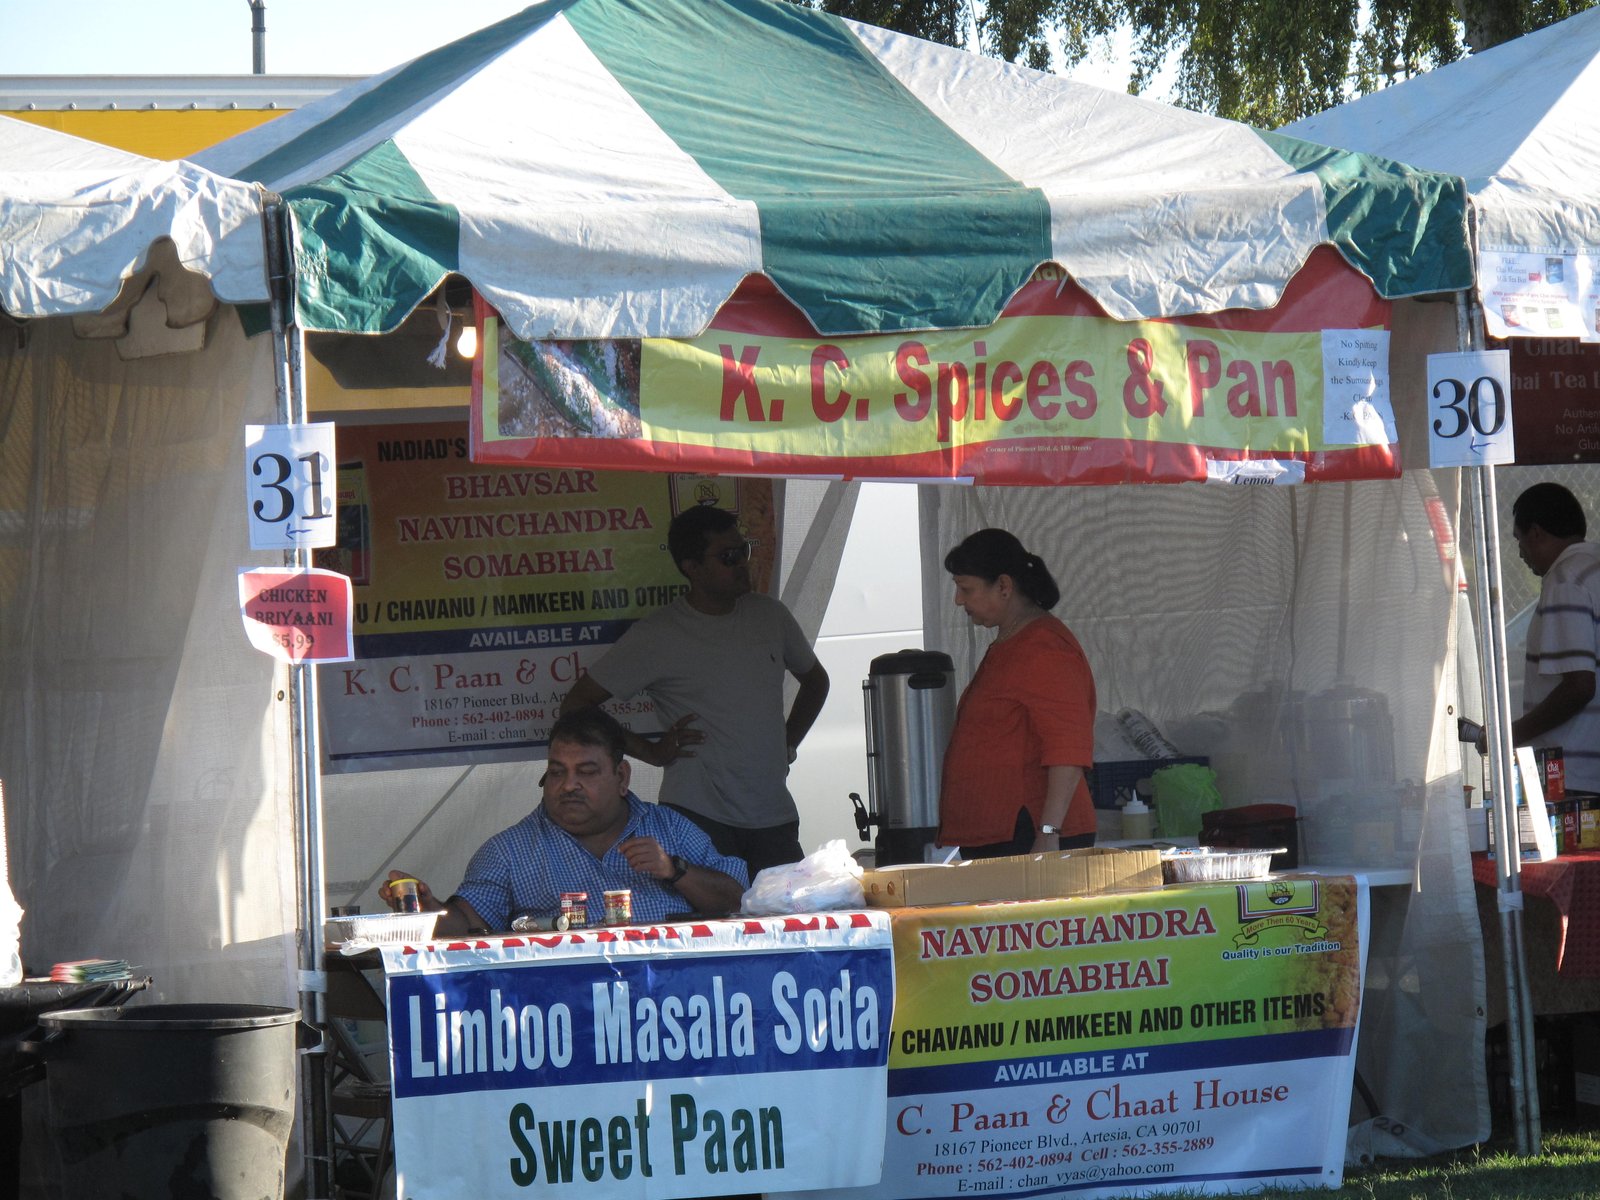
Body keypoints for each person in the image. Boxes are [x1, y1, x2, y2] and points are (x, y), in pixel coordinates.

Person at [560, 504, 829, 877]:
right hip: (698, 816)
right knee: (710, 926)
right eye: (728, 556)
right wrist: (650, 751)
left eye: (744, 551)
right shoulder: (659, 634)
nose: (741, 564)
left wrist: (788, 742)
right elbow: (578, 704)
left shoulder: (770, 615)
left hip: (772, 814)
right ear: (692, 567)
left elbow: (816, 681)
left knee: (789, 921)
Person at [379, 708, 748, 933]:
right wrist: (426, 909)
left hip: (671, 1010)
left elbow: (738, 901)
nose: (569, 785)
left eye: (586, 771)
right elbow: (466, 926)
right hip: (563, 1022)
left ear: (622, 777)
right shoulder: (509, 851)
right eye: (557, 772)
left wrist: (675, 870)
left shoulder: (670, 828)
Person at [937, 528, 1097, 858]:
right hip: (1002, 835)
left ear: (1005, 587)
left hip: (1033, 837)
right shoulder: (1012, 641)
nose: (958, 600)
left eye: (966, 589)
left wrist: (1049, 833)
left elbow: (1067, 750)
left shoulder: (1046, 649)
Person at [1508, 482, 1600, 792]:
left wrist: (1511, 735)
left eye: (1519, 540)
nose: (1520, 553)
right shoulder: (1592, 569)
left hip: (1575, 777)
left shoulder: (1565, 581)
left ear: (1536, 533)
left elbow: (1579, 687)